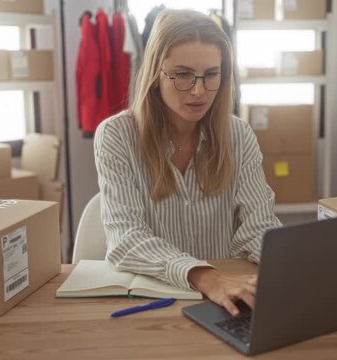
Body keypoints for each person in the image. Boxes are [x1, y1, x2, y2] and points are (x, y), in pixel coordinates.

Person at [94, 9, 281, 316]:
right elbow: (126, 237)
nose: (199, 91)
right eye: (182, 75)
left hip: (227, 300)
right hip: (152, 304)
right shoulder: (117, 135)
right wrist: (204, 276)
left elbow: (257, 225)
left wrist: (288, 269)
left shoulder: (237, 134)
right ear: (156, 73)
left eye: (211, 75)